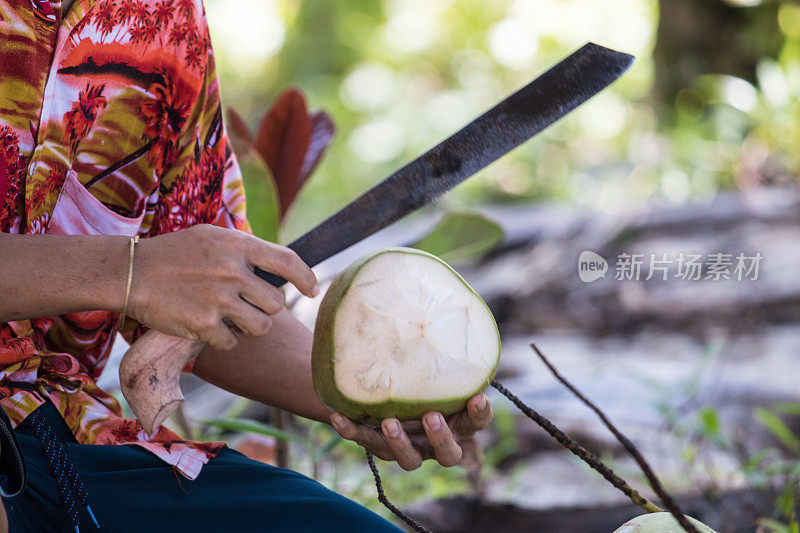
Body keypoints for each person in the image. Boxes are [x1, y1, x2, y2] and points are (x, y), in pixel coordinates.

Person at [0, 0, 494, 531]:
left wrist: (365, 392)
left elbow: (207, 291)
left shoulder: (162, 20)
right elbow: (151, 272)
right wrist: (131, 271)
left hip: (56, 439)